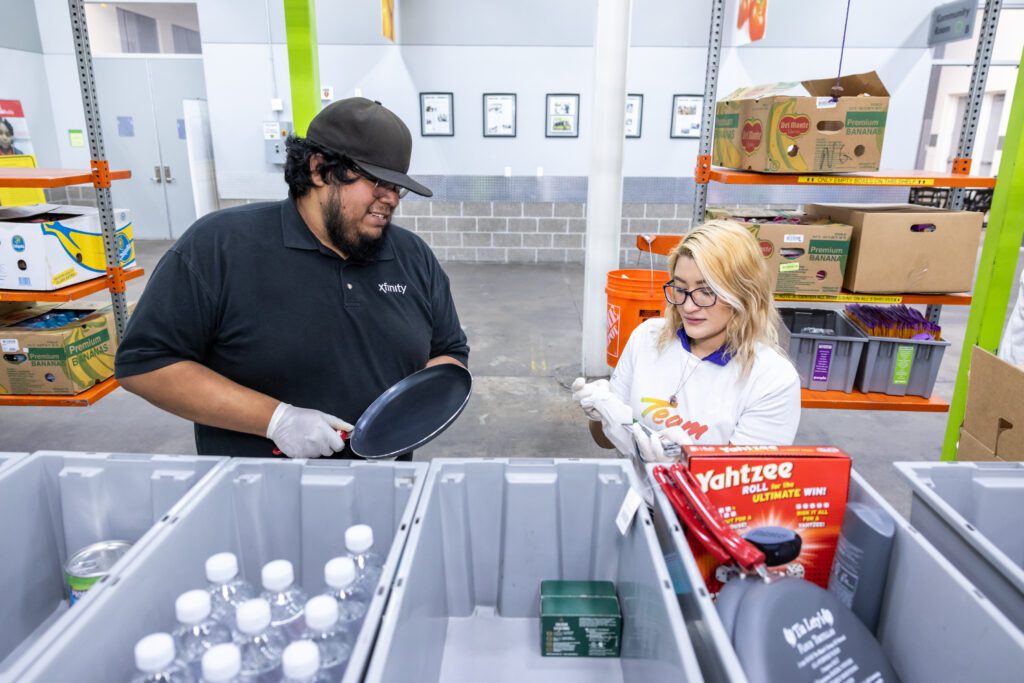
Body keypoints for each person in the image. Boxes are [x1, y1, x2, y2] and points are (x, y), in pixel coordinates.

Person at [115, 98, 469, 459]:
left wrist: (413, 408)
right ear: (319, 170)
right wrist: (275, 419)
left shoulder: (412, 256)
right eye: (377, 182)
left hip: (383, 489)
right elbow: (145, 364)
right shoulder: (220, 246)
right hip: (256, 495)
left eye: (397, 187)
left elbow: (449, 351)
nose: (391, 199)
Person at [573, 220, 800, 462]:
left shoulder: (772, 380)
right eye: (680, 289)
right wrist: (601, 414)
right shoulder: (648, 338)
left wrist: (685, 461)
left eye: (707, 291)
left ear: (744, 294)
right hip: (636, 496)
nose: (688, 306)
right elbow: (605, 441)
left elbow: (741, 485)